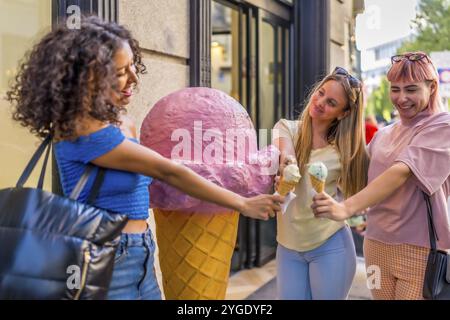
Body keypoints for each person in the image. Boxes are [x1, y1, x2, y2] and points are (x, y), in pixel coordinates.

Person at [5, 16, 283, 300]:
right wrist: (243, 203)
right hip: (108, 255)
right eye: (121, 71)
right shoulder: (82, 130)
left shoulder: (122, 122)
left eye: (132, 66)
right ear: (90, 76)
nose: (134, 78)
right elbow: (168, 171)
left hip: (141, 249)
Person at [312, 52, 450, 300]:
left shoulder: (442, 126)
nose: (401, 98)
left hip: (417, 252)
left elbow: (401, 171)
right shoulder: (384, 134)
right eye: (395, 89)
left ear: (431, 87)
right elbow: (357, 179)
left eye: (411, 89)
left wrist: (346, 209)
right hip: (375, 246)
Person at [273, 66, 369, 299]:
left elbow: (359, 196)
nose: (320, 102)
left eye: (332, 102)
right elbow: (286, 154)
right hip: (287, 246)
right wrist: (287, 167)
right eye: (321, 92)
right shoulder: (286, 127)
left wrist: (348, 211)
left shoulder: (344, 152)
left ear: (343, 113)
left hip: (330, 245)